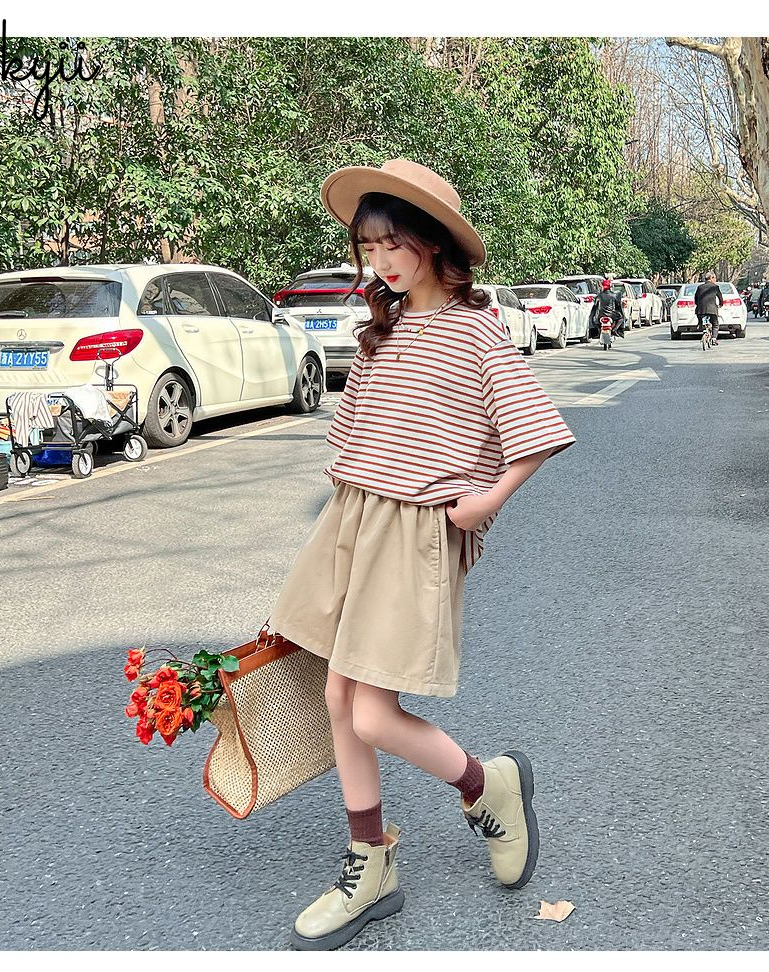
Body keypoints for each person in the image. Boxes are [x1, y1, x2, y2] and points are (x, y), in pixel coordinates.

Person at [266, 158, 576, 951]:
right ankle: (370, 861)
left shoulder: (476, 329)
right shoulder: (386, 327)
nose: (380, 262)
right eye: (368, 248)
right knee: (339, 697)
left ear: (433, 242)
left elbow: (534, 428)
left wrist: (487, 501)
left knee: (372, 711)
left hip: (416, 532)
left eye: (392, 244)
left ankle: (486, 784)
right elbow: (354, 436)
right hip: (357, 520)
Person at [695, 271, 725, 345]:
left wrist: (698, 304)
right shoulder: (715, 287)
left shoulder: (700, 287)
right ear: (712, 278)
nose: (715, 280)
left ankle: (700, 325)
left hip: (700, 310)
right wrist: (721, 304)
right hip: (712, 310)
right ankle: (714, 339)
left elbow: (696, 298)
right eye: (715, 278)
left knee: (700, 319)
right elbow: (720, 297)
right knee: (715, 324)